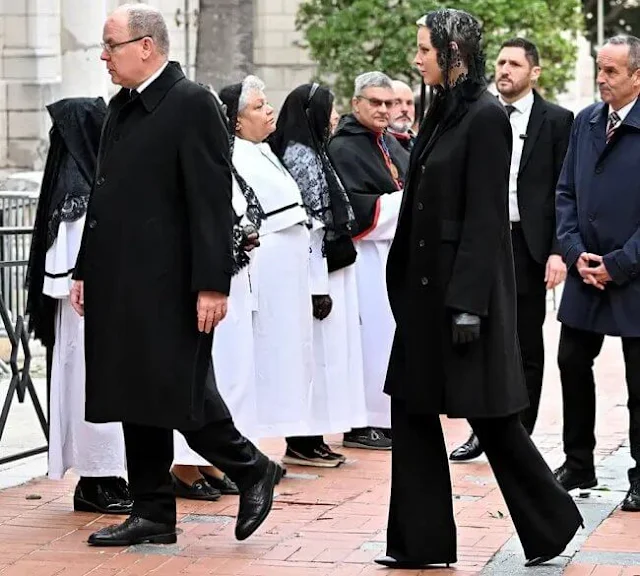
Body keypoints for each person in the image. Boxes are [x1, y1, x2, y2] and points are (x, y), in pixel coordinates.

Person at [378, 9, 583, 569]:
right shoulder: (438, 109)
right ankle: (418, 545)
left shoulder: (487, 117)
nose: (417, 58)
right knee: (413, 413)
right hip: (421, 297)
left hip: (459, 300)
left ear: (454, 54)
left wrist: (468, 304)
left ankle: (553, 522)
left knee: (492, 418)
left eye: (425, 49)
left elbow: (487, 218)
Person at [71, 4, 281, 547]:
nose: (103, 56)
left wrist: (214, 282)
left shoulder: (192, 104)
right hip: (120, 283)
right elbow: (104, 196)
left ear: (146, 46)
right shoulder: (122, 107)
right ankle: (153, 512)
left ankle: (252, 467)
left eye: (110, 45)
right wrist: (84, 268)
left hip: (172, 285)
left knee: (178, 393)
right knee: (131, 394)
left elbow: (211, 200)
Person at [450, 38, 573, 461]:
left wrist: (559, 250)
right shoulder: (475, 114)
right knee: (472, 334)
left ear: (534, 72)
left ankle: (519, 434)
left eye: (514, 64)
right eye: (500, 62)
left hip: (527, 244)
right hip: (476, 242)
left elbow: (565, 189)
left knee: (523, 342)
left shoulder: (558, 121)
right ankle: (479, 430)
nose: (504, 70)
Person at [25, 97, 130, 515]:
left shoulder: (92, 176)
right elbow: (65, 263)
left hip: (104, 312)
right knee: (91, 395)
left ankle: (109, 476)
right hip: (85, 315)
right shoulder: (76, 183)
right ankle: (95, 481)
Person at [555, 34, 640, 512]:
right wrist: (573, 251)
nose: (602, 79)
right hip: (585, 269)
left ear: (637, 76)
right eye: (599, 70)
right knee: (571, 361)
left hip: (633, 274)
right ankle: (577, 461)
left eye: (612, 71)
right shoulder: (587, 121)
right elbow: (565, 190)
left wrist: (620, 263)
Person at [218, 76, 317, 455]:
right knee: (254, 363)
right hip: (262, 274)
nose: (269, 110)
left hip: (285, 276)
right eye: (258, 107)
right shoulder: (237, 156)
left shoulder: (263, 150)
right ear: (237, 121)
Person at [271, 83, 367, 466]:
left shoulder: (316, 153)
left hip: (329, 268)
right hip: (315, 273)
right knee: (313, 357)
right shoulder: (301, 156)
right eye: (329, 109)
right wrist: (317, 286)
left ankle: (313, 436)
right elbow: (310, 225)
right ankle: (303, 438)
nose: (334, 117)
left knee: (329, 357)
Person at [328, 71, 409, 450]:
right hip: (365, 260)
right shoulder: (344, 148)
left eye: (388, 103)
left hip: (393, 256)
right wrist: (405, 204)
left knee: (391, 337)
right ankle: (365, 422)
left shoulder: (392, 143)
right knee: (371, 339)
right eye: (374, 102)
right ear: (356, 103)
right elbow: (352, 209)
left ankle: (389, 416)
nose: (383, 109)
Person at [388, 80, 416, 151]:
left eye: (409, 103)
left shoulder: (421, 143)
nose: (405, 109)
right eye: (397, 103)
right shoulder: (375, 145)